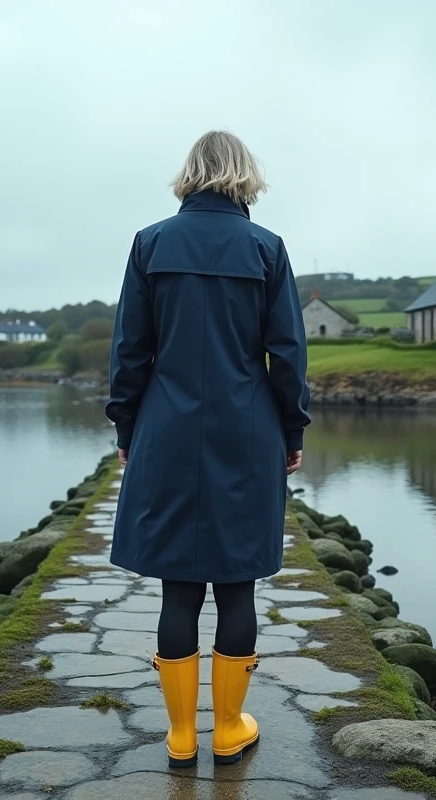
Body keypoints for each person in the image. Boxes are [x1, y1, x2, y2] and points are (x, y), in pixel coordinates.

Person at [105, 130, 310, 768]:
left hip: (165, 429)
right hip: (248, 431)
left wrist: (126, 429)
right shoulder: (267, 249)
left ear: (190, 174)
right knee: (238, 582)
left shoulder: (150, 243)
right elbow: (288, 353)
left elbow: (130, 352)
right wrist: (293, 431)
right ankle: (227, 730)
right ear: (245, 176)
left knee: (178, 588)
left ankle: (179, 737)